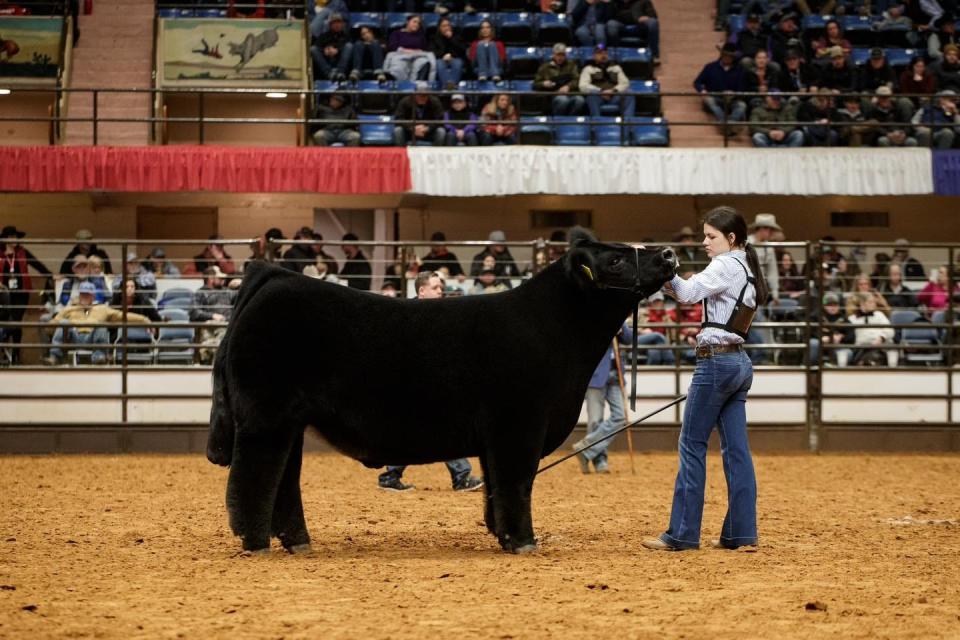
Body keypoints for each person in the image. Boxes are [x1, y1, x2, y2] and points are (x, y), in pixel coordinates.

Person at [641, 206, 767, 552]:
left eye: (711, 237)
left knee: (692, 445)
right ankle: (741, 534)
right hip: (738, 363)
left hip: (715, 364)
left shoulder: (726, 264)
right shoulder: (748, 267)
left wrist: (663, 271)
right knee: (737, 451)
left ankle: (682, 533)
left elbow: (685, 293)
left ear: (731, 238)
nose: (705, 242)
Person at [377, 271, 484, 493]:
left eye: (440, 287)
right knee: (445, 425)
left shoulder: (438, 314)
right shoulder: (406, 315)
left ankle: (391, 476)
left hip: (426, 383)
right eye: (435, 288)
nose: (440, 291)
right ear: (422, 291)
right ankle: (461, 476)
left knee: (416, 430)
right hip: (415, 383)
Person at [571, 319, 634, 473]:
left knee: (620, 417)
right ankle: (600, 462)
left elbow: (629, 339)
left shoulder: (618, 316)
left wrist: (622, 328)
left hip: (616, 372)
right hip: (596, 374)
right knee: (595, 420)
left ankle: (585, 448)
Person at [45, 281, 150, 366]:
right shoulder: (69, 308)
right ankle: (54, 357)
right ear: (79, 295)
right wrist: (52, 326)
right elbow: (53, 324)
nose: (84, 297)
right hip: (73, 337)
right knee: (63, 322)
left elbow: (122, 316)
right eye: (83, 294)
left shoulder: (102, 308)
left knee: (101, 324)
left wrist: (144, 319)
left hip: (93, 338)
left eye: (87, 295)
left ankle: (99, 357)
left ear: (93, 296)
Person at [1, 225, 53, 362]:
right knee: (7, 320)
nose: (14, 239)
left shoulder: (22, 252)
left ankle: (16, 353)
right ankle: (7, 350)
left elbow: (36, 264)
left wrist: (51, 275)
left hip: (21, 293)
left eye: (16, 237)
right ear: (5, 239)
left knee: (16, 321)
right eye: (11, 237)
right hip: (3, 294)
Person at [693, 43, 746, 132]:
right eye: (725, 55)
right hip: (715, 97)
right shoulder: (710, 67)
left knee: (742, 105)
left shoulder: (739, 70)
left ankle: (730, 124)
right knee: (709, 100)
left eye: (730, 56)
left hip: (731, 99)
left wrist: (734, 93)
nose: (727, 58)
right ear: (721, 55)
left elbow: (742, 88)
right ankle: (724, 122)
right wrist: (702, 90)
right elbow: (697, 82)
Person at [190, 266, 237, 365]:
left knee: (226, 336)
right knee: (218, 338)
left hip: (228, 326)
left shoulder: (228, 291)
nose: (223, 280)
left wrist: (241, 284)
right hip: (210, 326)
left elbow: (242, 298)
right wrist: (212, 316)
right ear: (211, 278)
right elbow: (194, 312)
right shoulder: (200, 293)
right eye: (220, 278)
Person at [579, 43, 635, 118]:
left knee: (629, 93)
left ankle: (627, 124)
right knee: (591, 94)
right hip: (598, 96)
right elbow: (583, 86)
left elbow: (625, 83)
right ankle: (597, 123)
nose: (603, 55)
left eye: (605, 53)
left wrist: (613, 90)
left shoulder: (616, 67)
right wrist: (601, 91)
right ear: (594, 56)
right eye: (599, 53)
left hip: (614, 96)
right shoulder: (588, 68)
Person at [533, 43, 586, 116]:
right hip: (552, 95)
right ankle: (558, 121)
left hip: (570, 93)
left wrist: (568, 86)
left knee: (580, 100)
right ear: (554, 55)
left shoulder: (572, 65)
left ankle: (570, 120)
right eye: (558, 55)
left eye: (562, 55)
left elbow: (577, 79)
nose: (560, 57)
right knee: (562, 100)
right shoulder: (545, 67)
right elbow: (535, 84)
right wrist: (544, 84)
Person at [847, 292, 896, 366]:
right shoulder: (852, 318)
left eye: (874, 302)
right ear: (862, 304)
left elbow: (890, 330)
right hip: (861, 348)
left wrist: (881, 338)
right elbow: (852, 337)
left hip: (879, 347)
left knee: (875, 355)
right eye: (870, 302)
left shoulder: (879, 315)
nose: (874, 304)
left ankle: (869, 363)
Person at [393, 81, 446, 146]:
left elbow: (440, 119)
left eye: (425, 96)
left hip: (428, 131)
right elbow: (398, 119)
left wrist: (427, 128)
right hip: (410, 131)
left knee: (441, 131)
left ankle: (435, 154)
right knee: (398, 130)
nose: (422, 98)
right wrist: (412, 128)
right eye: (420, 95)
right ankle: (402, 153)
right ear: (415, 94)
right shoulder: (405, 101)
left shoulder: (435, 101)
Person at [384, 14, 436, 82]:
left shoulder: (420, 36)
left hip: (418, 57)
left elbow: (424, 49)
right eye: (414, 22)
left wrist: (416, 52)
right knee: (399, 67)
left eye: (418, 23)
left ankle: (418, 86)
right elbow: (393, 47)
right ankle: (398, 86)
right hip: (401, 55)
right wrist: (407, 51)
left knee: (424, 62)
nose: (417, 24)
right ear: (407, 22)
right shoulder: (396, 33)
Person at [311, 13, 353, 82]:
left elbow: (349, 48)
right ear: (330, 25)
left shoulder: (347, 36)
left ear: (342, 24)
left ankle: (340, 72)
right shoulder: (324, 35)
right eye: (334, 23)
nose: (337, 25)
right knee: (313, 49)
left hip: (341, 60)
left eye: (339, 22)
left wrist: (337, 50)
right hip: (327, 60)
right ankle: (329, 73)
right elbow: (317, 46)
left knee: (349, 46)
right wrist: (325, 49)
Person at [432, 17, 467, 88]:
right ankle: (447, 86)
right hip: (441, 59)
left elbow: (463, 50)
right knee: (439, 63)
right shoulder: (434, 38)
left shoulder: (457, 36)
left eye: (448, 25)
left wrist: (451, 39)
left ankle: (452, 85)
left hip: (455, 58)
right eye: (444, 26)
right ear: (439, 28)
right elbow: (433, 53)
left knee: (458, 63)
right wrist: (443, 56)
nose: (446, 28)